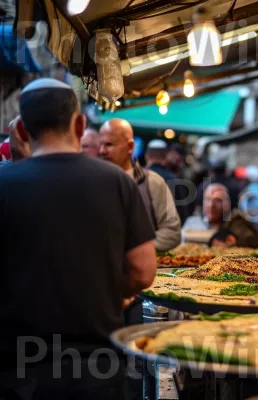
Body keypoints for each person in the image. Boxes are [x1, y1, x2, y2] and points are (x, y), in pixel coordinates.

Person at [0, 78, 157, 398]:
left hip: (17, 370)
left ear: (23, 131)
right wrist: (111, 294)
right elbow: (144, 271)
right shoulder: (117, 182)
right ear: (81, 123)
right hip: (96, 366)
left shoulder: (4, 183)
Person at [99, 119, 181, 252]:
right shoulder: (91, 182)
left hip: (141, 270)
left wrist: (134, 250)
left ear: (130, 147)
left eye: (109, 144)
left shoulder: (152, 182)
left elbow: (172, 232)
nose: (102, 150)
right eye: (101, 144)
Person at [145, 139, 191, 224]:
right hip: (167, 233)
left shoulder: (137, 177)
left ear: (147, 156)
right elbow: (182, 215)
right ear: (166, 156)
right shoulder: (173, 179)